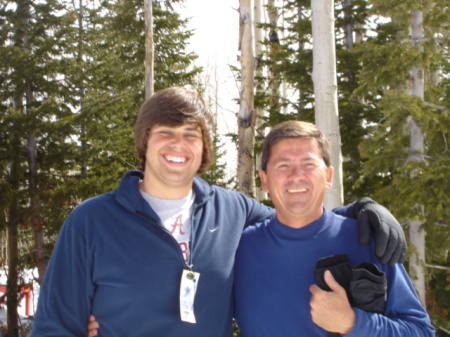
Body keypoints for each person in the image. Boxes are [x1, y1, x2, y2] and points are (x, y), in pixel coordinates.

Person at [30, 87, 406, 337]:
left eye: (191, 135)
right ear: (145, 141)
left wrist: (360, 210)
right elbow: (54, 325)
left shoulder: (233, 210)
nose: (178, 144)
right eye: (165, 132)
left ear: (204, 148)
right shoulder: (92, 221)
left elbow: (296, 216)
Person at [234, 121, 434, 337]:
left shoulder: (367, 239)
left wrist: (354, 323)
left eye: (308, 164)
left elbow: (420, 331)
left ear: (328, 177)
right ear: (264, 180)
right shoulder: (240, 249)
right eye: (283, 165)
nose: (296, 175)